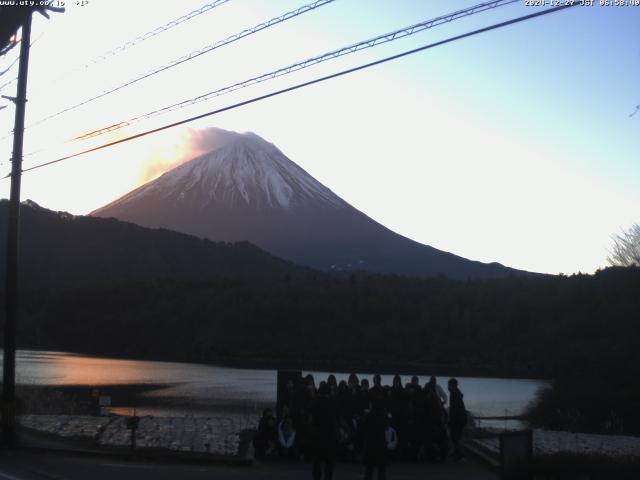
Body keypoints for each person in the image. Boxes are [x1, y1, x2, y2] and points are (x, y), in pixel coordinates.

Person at [310, 383, 339, 480]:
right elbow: (336, 418)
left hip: (317, 434)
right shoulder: (332, 403)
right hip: (330, 435)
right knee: (329, 461)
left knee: (317, 460)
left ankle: (317, 477)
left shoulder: (315, 402)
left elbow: (312, 417)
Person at [362, 400, 388, 480]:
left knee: (369, 470)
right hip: (380, 444)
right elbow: (386, 427)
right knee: (381, 469)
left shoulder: (369, 416)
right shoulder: (383, 416)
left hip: (370, 443)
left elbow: (364, 428)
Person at [448, 378, 467, 460]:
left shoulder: (455, 394)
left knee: (456, 436)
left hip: (459, 419)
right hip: (458, 418)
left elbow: (456, 409)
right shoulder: (455, 393)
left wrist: (452, 420)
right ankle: (457, 452)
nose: (448, 387)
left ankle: (459, 454)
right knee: (454, 436)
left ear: (453, 386)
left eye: (449, 385)